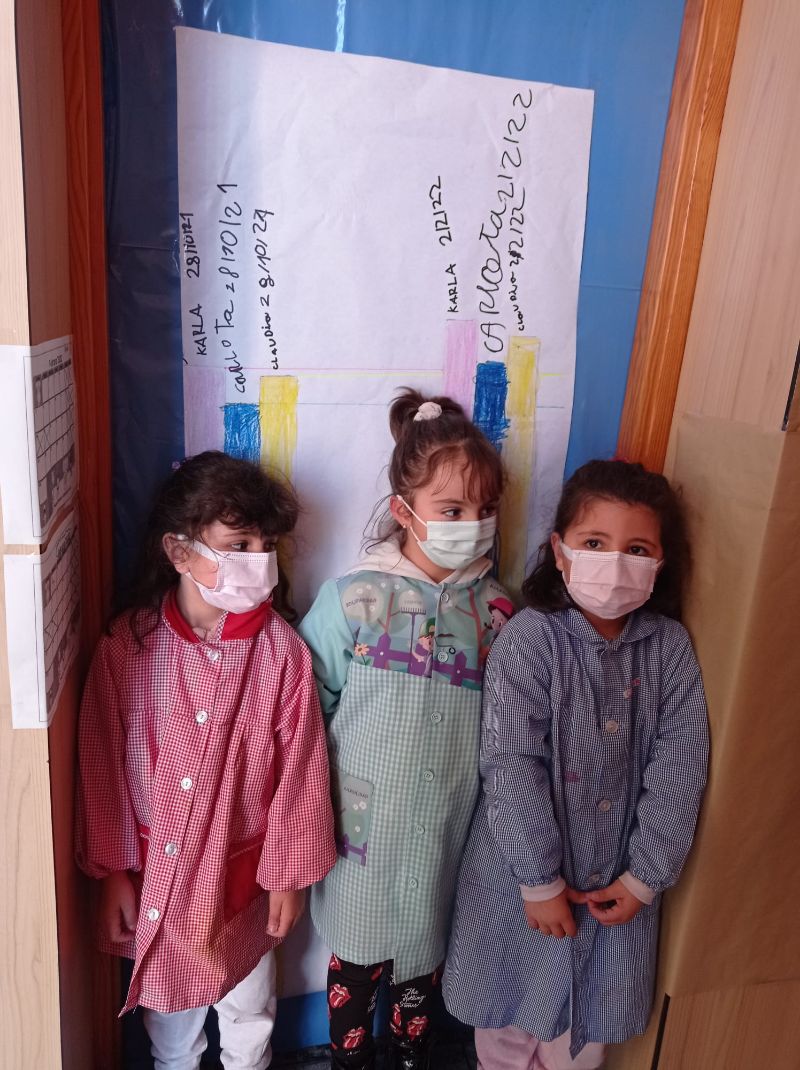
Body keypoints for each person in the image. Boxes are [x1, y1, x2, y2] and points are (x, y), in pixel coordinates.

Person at [443, 459, 709, 1070]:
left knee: (581, 1048)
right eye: (594, 543)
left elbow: (681, 766)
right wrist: (539, 881)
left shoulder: (669, 649)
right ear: (560, 552)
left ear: (660, 561)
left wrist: (645, 877)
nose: (614, 563)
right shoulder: (531, 639)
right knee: (503, 1035)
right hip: (517, 887)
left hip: (615, 890)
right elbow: (511, 762)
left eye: (636, 549)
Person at [75, 450, 336, 1070]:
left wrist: (288, 875)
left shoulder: (282, 654)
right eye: (238, 545)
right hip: (158, 879)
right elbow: (102, 765)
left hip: (240, 880)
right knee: (170, 1024)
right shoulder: (127, 647)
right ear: (179, 551)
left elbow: (301, 772)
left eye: (266, 546)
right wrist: (113, 873)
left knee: (249, 1013)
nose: (258, 561)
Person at [299, 390, 512, 1070]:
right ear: (404, 511)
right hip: (361, 834)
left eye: (484, 509)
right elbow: (304, 712)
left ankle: (412, 1056)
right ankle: (350, 1061)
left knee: (422, 967)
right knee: (356, 962)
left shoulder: (497, 612)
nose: (471, 525)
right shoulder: (354, 599)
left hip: (447, 828)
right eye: (452, 510)